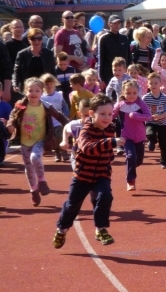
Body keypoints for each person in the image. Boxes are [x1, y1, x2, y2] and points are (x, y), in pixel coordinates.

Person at [52, 94, 122, 249]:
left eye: (110, 114)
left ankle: (101, 229)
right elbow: (88, 148)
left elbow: (107, 148)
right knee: (72, 205)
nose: (107, 118)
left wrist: (110, 157)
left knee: (105, 196)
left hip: (102, 174)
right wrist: (110, 142)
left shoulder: (110, 128)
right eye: (102, 114)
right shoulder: (86, 130)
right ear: (91, 114)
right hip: (83, 176)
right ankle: (62, 229)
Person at [7, 77, 69, 205]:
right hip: (25, 141)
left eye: (37, 90)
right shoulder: (21, 105)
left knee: (35, 157)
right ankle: (33, 190)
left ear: (42, 92)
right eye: (30, 90)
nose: (33, 93)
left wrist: (69, 126)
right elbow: (13, 116)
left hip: (40, 140)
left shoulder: (46, 106)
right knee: (29, 167)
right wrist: (10, 124)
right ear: (25, 91)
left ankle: (41, 181)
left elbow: (59, 116)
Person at [112, 80, 152, 191]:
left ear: (138, 93)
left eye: (134, 93)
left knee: (138, 161)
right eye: (128, 93)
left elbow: (148, 116)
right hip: (126, 136)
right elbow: (111, 116)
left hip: (140, 137)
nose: (131, 95)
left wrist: (136, 115)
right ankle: (130, 181)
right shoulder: (120, 105)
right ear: (123, 93)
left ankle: (130, 167)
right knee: (131, 156)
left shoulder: (140, 103)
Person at [13, 28, 55, 93]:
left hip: (44, 87)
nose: (36, 41)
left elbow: (52, 71)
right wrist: (15, 84)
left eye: (39, 38)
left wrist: (54, 85)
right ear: (29, 40)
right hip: (28, 88)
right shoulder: (22, 54)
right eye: (33, 39)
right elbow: (17, 71)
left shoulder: (48, 53)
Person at [143, 72, 166, 169]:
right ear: (148, 85)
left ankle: (164, 161)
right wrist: (147, 116)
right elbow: (142, 109)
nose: (153, 85)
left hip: (162, 123)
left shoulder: (165, 98)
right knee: (150, 133)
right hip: (150, 122)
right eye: (151, 83)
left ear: (160, 84)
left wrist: (160, 116)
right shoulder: (145, 98)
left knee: (163, 143)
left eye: (156, 83)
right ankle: (152, 141)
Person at [97, 15, 131, 85]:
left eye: (119, 23)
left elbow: (129, 57)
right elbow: (100, 59)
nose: (117, 25)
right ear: (109, 24)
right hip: (108, 75)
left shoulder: (124, 38)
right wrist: (101, 79)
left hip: (124, 75)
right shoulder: (104, 38)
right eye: (115, 23)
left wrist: (129, 72)